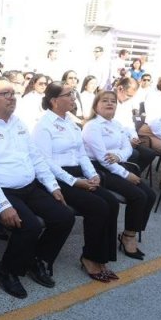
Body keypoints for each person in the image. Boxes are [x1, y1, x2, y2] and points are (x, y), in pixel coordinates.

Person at [0, 76, 74, 298]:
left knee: (64, 216)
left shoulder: (18, 123)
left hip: (28, 186)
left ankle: (36, 258)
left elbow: (35, 157)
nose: (12, 98)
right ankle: (7, 270)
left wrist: (53, 186)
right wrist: (3, 205)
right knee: (29, 226)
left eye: (13, 93)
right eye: (5, 94)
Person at [33, 82, 120, 281]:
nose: (73, 98)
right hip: (56, 178)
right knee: (98, 206)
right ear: (54, 101)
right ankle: (89, 257)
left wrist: (93, 175)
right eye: (68, 95)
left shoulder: (71, 123)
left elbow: (81, 154)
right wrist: (73, 181)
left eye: (73, 94)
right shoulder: (43, 125)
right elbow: (45, 162)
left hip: (77, 174)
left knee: (111, 202)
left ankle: (101, 257)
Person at [82, 91, 156, 259]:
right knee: (138, 196)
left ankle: (130, 232)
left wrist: (118, 156)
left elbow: (128, 148)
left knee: (150, 195)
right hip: (99, 169)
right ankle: (129, 238)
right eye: (105, 101)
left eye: (113, 101)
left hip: (117, 164)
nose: (110, 103)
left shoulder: (116, 124)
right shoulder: (92, 126)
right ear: (96, 106)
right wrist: (125, 174)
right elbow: (102, 158)